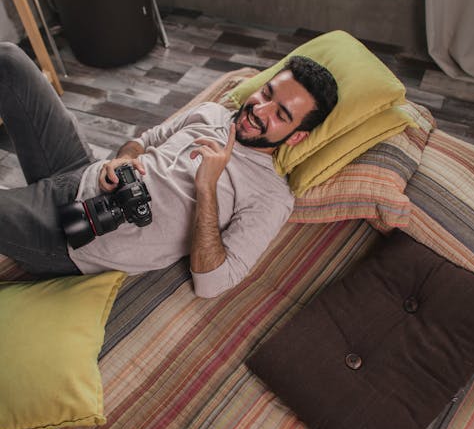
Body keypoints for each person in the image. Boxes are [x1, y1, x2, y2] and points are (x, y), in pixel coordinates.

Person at [0, 42, 337, 297]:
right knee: (10, 59)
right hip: (82, 168)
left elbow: (212, 283)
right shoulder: (213, 113)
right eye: (266, 92)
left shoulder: (272, 195)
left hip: (73, 239)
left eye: (281, 115)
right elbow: (144, 140)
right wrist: (123, 159)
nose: (259, 110)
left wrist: (207, 188)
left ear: (298, 137)